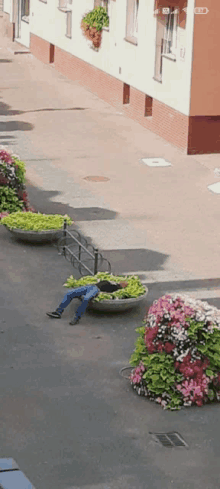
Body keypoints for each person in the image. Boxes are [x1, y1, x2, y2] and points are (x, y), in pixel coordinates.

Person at [46, 279, 128, 325]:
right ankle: (58, 312)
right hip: (91, 286)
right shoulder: (110, 281)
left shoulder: (115, 287)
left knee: (86, 299)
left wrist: (121, 285)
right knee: (69, 293)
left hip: (96, 290)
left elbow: (114, 289)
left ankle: (76, 318)